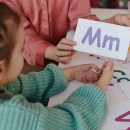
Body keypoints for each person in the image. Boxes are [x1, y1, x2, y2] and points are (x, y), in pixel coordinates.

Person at [0, 2, 114, 130]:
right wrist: (100, 87)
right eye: (21, 49)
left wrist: (69, 73)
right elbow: (72, 123)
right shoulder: (17, 115)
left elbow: (23, 85)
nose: (23, 51)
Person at [0, 0, 129, 71]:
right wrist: (53, 52)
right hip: (22, 63)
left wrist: (113, 21)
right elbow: (23, 37)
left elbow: (83, 22)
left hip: (69, 56)